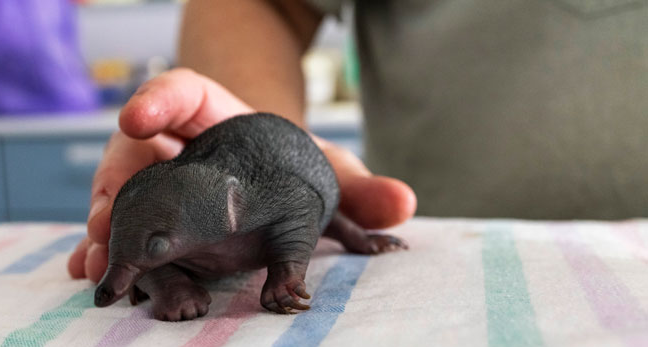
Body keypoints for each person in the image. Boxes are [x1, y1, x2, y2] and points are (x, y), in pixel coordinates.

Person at [69, 0, 647, 281]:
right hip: (437, 244)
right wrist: (238, 115)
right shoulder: (220, 206)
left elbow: (296, 203)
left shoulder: (266, 201)